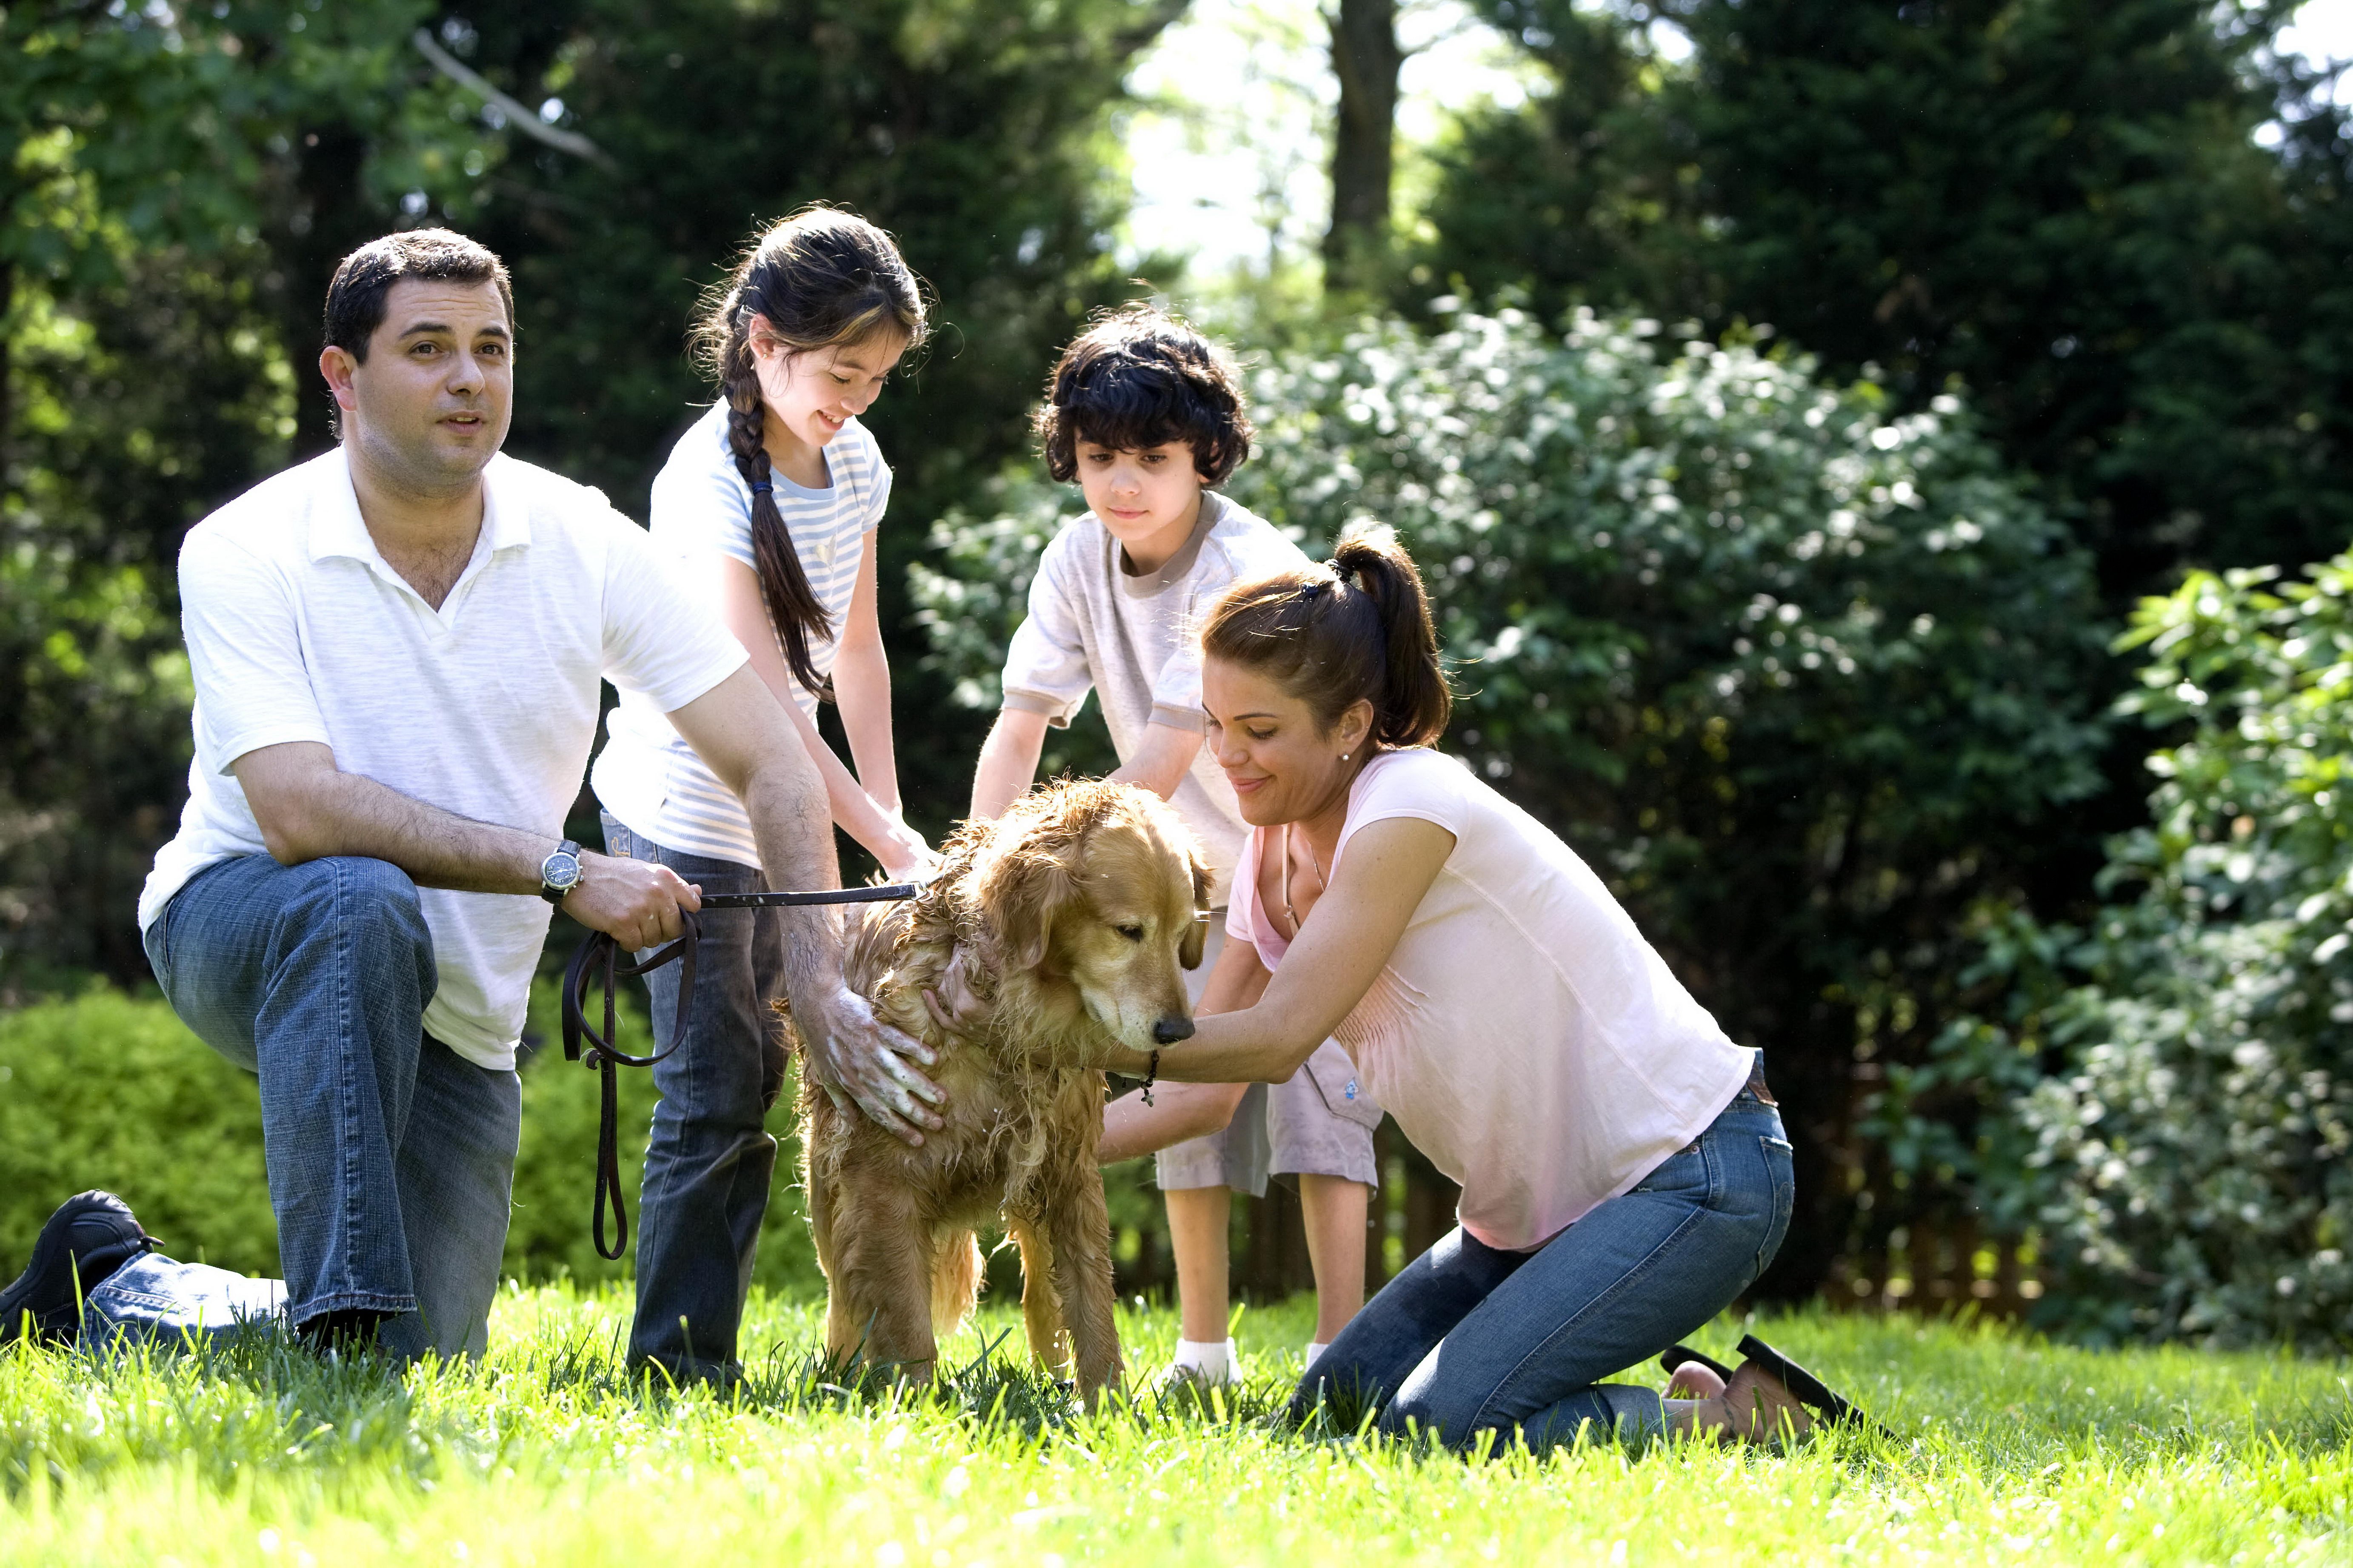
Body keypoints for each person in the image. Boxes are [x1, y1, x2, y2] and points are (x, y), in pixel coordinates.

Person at [0, 229, 942, 1359]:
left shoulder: (580, 538)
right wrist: (564, 870)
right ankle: (341, 1332)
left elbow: (774, 755)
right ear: (342, 377)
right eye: (429, 347)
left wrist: (820, 980)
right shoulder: (245, 546)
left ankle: (114, 1282)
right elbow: (298, 811)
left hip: (466, 1007)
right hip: (245, 916)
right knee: (357, 899)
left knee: (429, 1341)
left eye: (491, 348)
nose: (468, 377)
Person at [1093, 521, 1827, 1449]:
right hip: (1526, 1223)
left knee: (1435, 1429)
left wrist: (1071, 1040)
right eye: (1215, 725)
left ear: (1351, 723)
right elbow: (1204, 1086)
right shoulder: (1266, 863)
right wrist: (1030, 1141)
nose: (1225, 756)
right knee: (1328, 1419)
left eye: (1259, 730)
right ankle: (1683, 1394)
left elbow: (1276, 1039)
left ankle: (1738, 1419)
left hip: (1695, 1174)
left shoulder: (1409, 803)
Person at [967, 305, 1380, 1388]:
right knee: (1175, 1069)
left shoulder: (1243, 564)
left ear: (1205, 453)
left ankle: (1345, 1350)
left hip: (1305, 849)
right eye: (1100, 457)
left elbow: (1159, 749)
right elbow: (1020, 724)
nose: (1125, 483)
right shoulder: (1072, 558)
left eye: (1152, 457)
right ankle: (1205, 1351)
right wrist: (983, 865)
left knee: (1317, 1093)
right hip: (1178, 868)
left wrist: (1058, 859)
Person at [589, 207, 932, 1382]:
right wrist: (875, 827)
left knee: (783, 1074)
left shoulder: (858, 464)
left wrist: (889, 832)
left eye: (879, 377)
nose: (858, 397)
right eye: (842, 371)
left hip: (792, 811)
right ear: (764, 340)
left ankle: (796, 1351)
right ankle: (677, 1368)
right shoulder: (703, 484)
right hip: (685, 814)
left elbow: (859, 657)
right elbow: (768, 716)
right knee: (719, 1087)